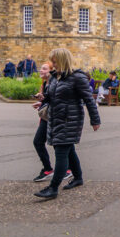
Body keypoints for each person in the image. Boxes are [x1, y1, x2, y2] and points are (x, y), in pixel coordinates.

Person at [33, 48, 99, 200]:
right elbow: (52, 96)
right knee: (68, 150)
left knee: (61, 153)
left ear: (63, 60)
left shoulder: (77, 77)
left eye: (55, 61)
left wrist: (95, 120)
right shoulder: (56, 77)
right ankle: (78, 177)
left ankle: (53, 188)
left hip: (70, 119)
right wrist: (43, 98)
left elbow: (89, 99)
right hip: (56, 118)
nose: (53, 64)